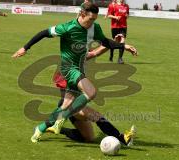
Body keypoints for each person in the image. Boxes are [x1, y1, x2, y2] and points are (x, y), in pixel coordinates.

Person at [12, 2, 137, 143]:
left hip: (77, 73)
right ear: (82, 15)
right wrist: (25, 48)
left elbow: (103, 43)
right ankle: (120, 137)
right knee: (91, 95)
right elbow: (43, 33)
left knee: (86, 132)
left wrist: (123, 46)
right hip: (67, 69)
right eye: (90, 19)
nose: (92, 22)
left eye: (95, 19)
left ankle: (42, 127)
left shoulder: (94, 28)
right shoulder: (67, 28)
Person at [48, 71, 136, 146]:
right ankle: (122, 138)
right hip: (69, 106)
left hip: (76, 104)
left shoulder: (79, 63)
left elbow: (92, 53)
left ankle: (59, 129)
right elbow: (66, 95)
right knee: (96, 116)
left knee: (89, 138)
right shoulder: (67, 69)